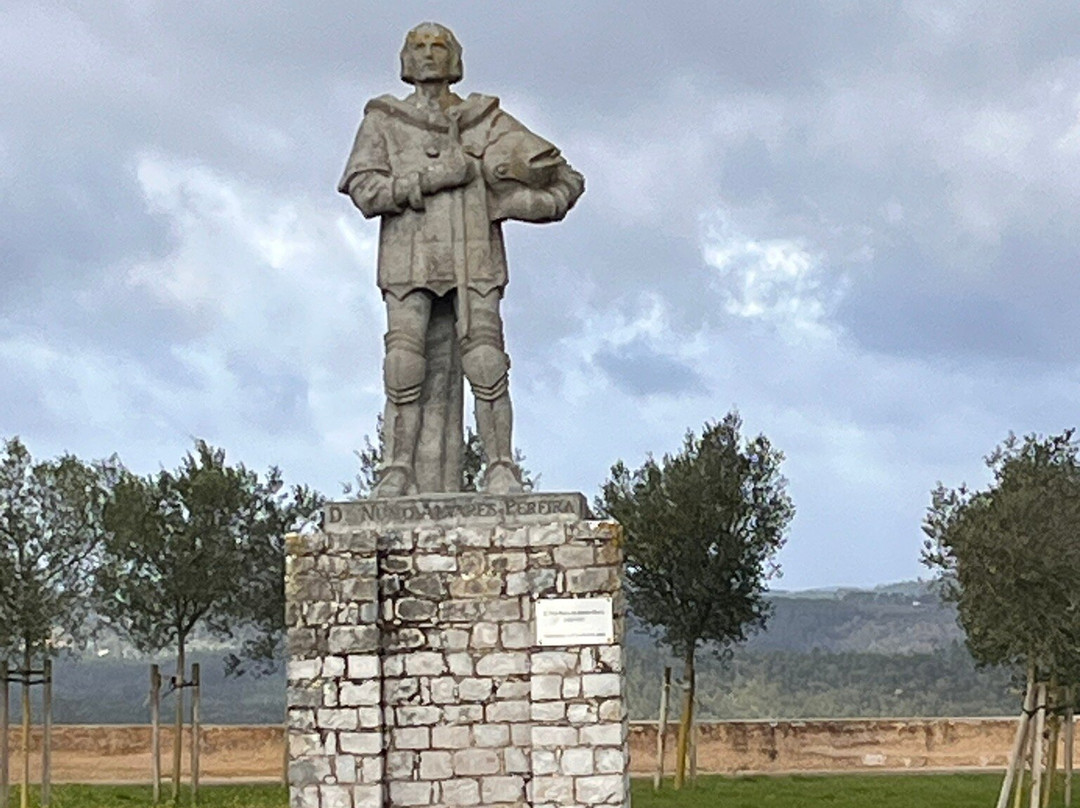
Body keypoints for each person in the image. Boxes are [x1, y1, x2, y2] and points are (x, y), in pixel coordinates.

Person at [339, 22, 584, 497]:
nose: (429, 54)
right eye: (419, 47)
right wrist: (431, 179)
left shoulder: (486, 120)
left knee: (487, 359)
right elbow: (366, 192)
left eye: (439, 46)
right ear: (405, 60)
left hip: (476, 255)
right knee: (403, 362)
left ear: (456, 59)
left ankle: (501, 467)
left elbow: (565, 179)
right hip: (409, 256)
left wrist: (516, 203)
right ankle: (396, 470)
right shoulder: (384, 121)